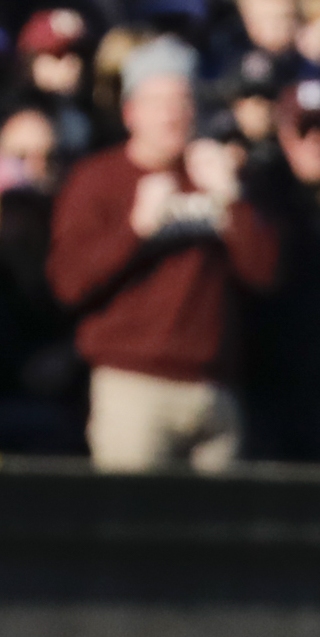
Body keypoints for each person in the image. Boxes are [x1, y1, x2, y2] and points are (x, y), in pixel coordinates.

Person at [47, 41, 279, 472]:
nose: (173, 113)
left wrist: (232, 202)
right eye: (158, 102)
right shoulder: (97, 178)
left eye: (183, 100)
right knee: (134, 529)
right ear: (130, 111)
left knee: (215, 535)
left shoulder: (220, 176)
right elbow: (68, 283)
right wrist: (135, 231)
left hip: (216, 389)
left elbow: (266, 274)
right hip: (133, 386)